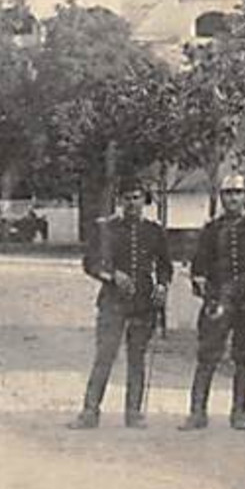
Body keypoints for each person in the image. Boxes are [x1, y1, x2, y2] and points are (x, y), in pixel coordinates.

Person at [68, 183, 173, 430]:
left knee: (137, 358)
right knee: (105, 356)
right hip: (112, 302)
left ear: (144, 201)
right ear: (120, 200)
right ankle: (90, 412)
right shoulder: (106, 229)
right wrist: (113, 275)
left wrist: (162, 286)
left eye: (137, 198)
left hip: (143, 304)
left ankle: (134, 413)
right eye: (127, 198)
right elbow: (90, 263)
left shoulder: (154, 232)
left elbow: (165, 266)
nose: (132, 203)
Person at [183, 174, 245, 431]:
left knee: (244, 357)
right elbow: (198, 265)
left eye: (237, 193)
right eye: (228, 193)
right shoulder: (211, 230)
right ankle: (197, 412)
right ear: (222, 197)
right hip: (219, 300)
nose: (232, 198)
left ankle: (239, 412)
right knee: (208, 355)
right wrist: (200, 280)